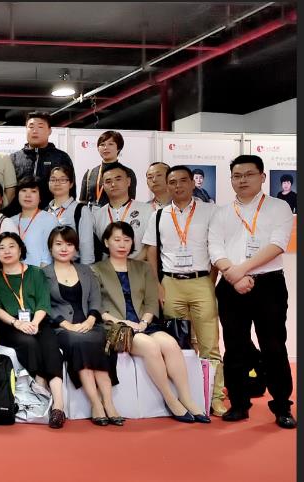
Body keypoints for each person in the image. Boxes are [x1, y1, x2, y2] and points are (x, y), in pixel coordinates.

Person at [92, 221, 208, 424]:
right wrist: (124, 322)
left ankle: (187, 398)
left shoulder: (143, 267)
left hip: (144, 324)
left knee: (170, 344)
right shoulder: (95, 270)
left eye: (127, 240)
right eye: (117, 240)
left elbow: (151, 302)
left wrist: (144, 323)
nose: (122, 244)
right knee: (151, 347)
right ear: (106, 242)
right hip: (116, 327)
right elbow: (96, 305)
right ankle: (171, 399)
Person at [210, 155, 295, 428]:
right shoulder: (222, 212)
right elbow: (215, 247)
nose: (242, 180)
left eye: (249, 174)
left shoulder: (279, 207)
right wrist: (232, 275)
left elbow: (278, 244)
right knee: (234, 346)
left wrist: (240, 270)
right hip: (230, 286)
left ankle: (282, 406)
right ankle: (239, 403)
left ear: (262, 177)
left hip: (268, 285)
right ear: (231, 179)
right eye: (237, 175)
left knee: (274, 346)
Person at [142, 165, 226, 417]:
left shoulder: (210, 211)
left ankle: (215, 397)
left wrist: (210, 280)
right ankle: (186, 395)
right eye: (172, 182)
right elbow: (151, 252)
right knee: (178, 345)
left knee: (209, 344)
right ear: (167, 186)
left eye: (182, 181)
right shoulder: (158, 215)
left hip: (201, 282)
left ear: (192, 183)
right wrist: (157, 285)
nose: (177, 186)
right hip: (171, 284)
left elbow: (216, 248)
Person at [0, 232, 67, 429]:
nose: (7, 251)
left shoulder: (35, 273)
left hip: (37, 321)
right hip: (9, 325)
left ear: (20, 249)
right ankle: (40, 384)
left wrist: (35, 323)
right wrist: (17, 323)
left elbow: (43, 302)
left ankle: (58, 406)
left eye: (11, 246)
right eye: (1, 248)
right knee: (28, 343)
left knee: (50, 347)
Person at [43, 226, 121, 426]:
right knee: (79, 342)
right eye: (59, 244)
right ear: (50, 247)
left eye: (69, 244)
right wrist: (66, 325)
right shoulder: (43, 274)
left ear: (76, 248)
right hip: (62, 329)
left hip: (90, 324)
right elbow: (44, 306)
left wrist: (91, 320)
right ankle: (96, 404)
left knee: (99, 340)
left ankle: (109, 403)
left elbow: (95, 299)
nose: (64, 249)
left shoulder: (86, 270)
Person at [82, 163, 152, 264]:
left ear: (128, 181)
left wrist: (131, 265)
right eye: (108, 181)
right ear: (103, 186)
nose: (113, 184)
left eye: (118, 179)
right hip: (107, 270)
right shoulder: (96, 216)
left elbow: (150, 246)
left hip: (138, 268)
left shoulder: (147, 210)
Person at [8, 111, 73, 215]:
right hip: (18, 216)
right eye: (31, 127)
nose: (35, 131)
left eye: (40, 127)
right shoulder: (14, 158)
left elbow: (70, 190)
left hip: (53, 215)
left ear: (49, 131)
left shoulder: (61, 157)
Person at [45, 165, 93, 260]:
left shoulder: (81, 210)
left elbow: (86, 248)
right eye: (53, 180)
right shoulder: (45, 211)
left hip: (72, 266)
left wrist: (86, 269)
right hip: (48, 266)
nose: (57, 183)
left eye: (62, 180)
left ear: (71, 184)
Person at [78, 131, 138, 206]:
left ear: (118, 148)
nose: (106, 148)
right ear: (98, 148)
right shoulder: (90, 173)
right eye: (102, 144)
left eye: (110, 144)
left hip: (117, 213)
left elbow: (130, 202)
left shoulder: (128, 173)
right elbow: (83, 203)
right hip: (92, 213)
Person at [9, 177, 57, 267]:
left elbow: (47, 258)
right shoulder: (10, 221)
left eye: (33, 191)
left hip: (39, 272)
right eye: (23, 190)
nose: (28, 195)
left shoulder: (49, 220)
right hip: (13, 272)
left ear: (40, 197)